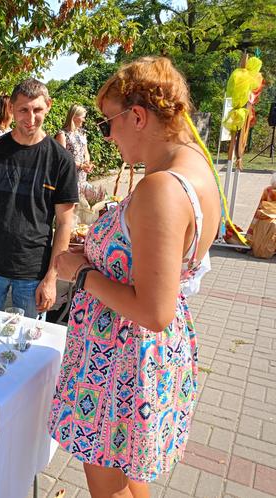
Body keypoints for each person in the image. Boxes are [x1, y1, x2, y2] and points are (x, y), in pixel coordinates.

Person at [49, 57, 222, 497]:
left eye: (110, 122)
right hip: (139, 358)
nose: (107, 134)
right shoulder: (197, 170)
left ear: (138, 116)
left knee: (107, 487)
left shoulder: (162, 187)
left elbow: (153, 309)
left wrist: (82, 273)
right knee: (129, 478)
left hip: (121, 361)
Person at [0, 79, 78, 318]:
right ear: (12, 109)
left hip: (33, 273)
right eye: (23, 110)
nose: (31, 117)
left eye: (37, 109)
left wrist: (51, 277)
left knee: (27, 347)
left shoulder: (61, 160)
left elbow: (65, 223)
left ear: (48, 105)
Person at [55, 105, 95, 194]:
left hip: (82, 179)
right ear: (74, 116)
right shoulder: (62, 134)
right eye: (83, 117)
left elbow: (86, 151)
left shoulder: (82, 133)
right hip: (69, 179)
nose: (84, 120)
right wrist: (81, 165)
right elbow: (62, 159)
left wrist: (87, 164)